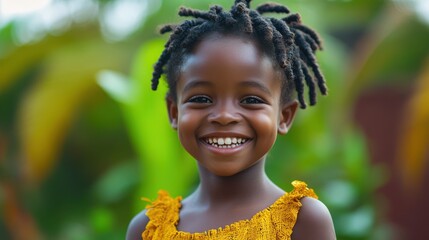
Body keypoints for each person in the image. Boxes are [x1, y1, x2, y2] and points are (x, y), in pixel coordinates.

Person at [126, 0, 336, 239]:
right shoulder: (147, 229)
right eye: (202, 99)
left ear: (284, 116)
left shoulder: (303, 221)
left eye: (252, 100)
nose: (224, 116)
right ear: (174, 113)